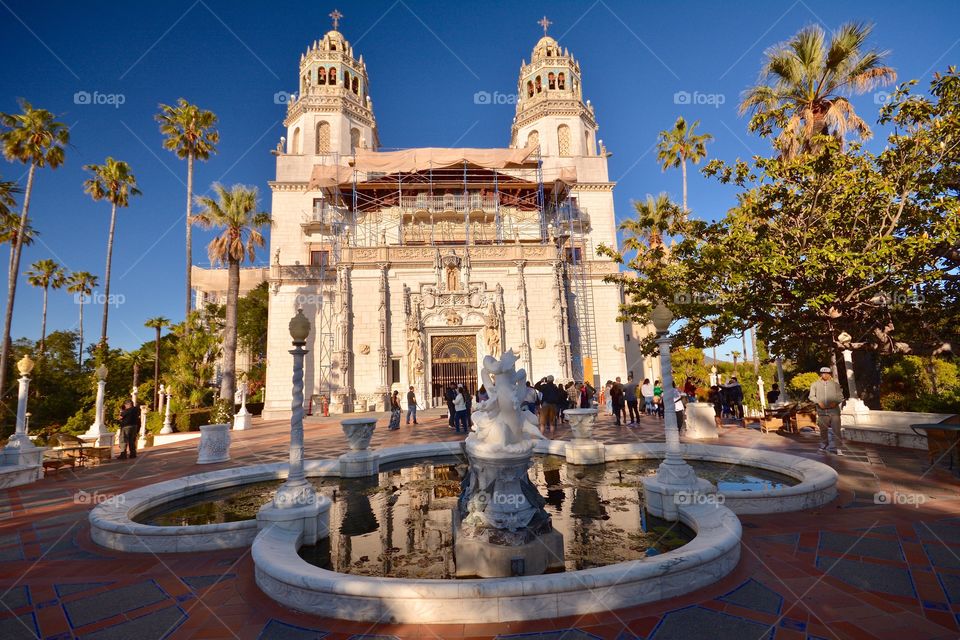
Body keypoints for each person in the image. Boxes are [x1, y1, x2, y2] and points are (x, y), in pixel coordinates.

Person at [809, 366, 845, 454]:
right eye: (823, 373)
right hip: (822, 412)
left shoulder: (835, 385)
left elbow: (841, 397)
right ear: (820, 374)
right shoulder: (815, 384)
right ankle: (824, 445)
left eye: (827, 373)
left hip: (834, 412)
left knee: (836, 430)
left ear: (830, 374)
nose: (825, 375)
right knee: (823, 430)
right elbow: (811, 396)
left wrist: (835, 403)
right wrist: (818, 402)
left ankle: (838, 448)